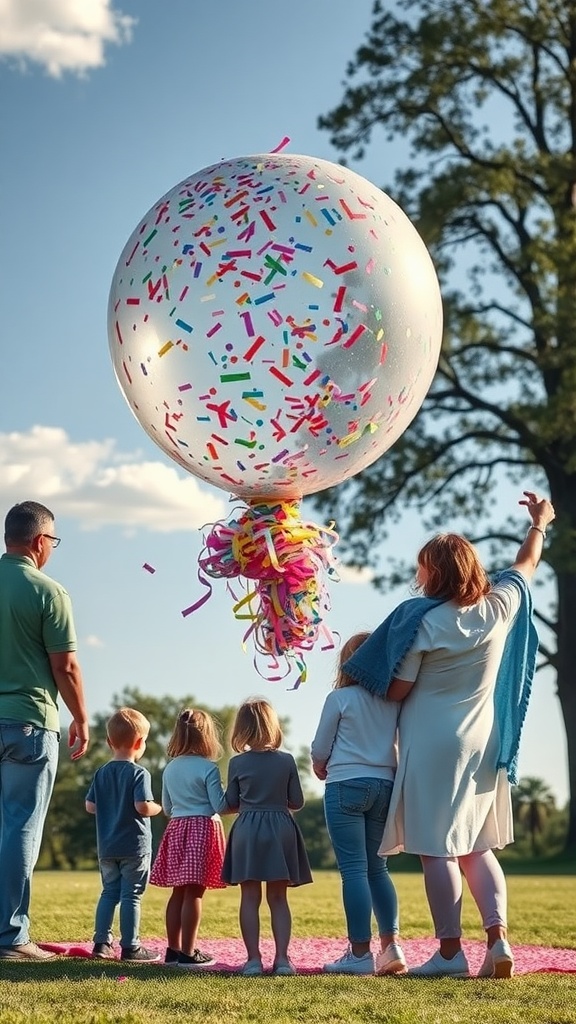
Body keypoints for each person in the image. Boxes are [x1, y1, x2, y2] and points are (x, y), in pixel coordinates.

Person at [344, 490, 556, 979]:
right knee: (475, 846)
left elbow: (396, 691)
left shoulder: (425, 623)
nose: (417, 576)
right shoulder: (500, 606)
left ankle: (449, 953)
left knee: (436, 848)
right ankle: (498, 941)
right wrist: (540, 523)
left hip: (433, 746)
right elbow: (525, 564)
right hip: (483, 741)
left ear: (436, 572)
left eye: (422, 567)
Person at [0, 500, 90, 961]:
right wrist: (81, 716)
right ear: (40, 542)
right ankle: (11, 937)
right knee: (20, 828)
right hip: (28, 724)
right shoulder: (48, 591)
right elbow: (66, 666)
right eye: (52, 541)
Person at [311, 632, 405, 976]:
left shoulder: (339, 698)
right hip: (385, 784)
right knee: (378, 869)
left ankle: (360, 953)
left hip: (346, 784)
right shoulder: (393, 701)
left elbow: (321, 748)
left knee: (353, 871)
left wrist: (319, 766)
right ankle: (391, 947)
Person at [222, 697, 312, 976]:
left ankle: (252, 960)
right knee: (278, 898)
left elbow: (230, 803)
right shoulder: (286, 761)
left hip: (247, 829)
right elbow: (296, 801)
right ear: (274, 726)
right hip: (280, 829)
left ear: (242, 729)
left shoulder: (237, 763)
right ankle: (283, 960)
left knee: (249, 898)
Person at [150, 708, 228, 967]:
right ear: (207, 736)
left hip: (177, 829)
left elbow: (168, 808)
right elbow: (219, 805)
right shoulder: (208, 768)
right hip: (203, 829)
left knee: (178, 892)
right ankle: (189, 952)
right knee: (195, 893)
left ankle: (173, 949)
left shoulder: (170, 768)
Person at [86, 707, 162, 962]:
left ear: (109, 742)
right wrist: (158, 807)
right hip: (134, 846)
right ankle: (131, 947)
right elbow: (142, 806)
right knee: (132, 895)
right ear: (140, 743)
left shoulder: (101, 773)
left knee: (109, 893)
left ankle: (101, 944)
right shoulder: (140, 773)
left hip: (107, 847)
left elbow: (90, 806)